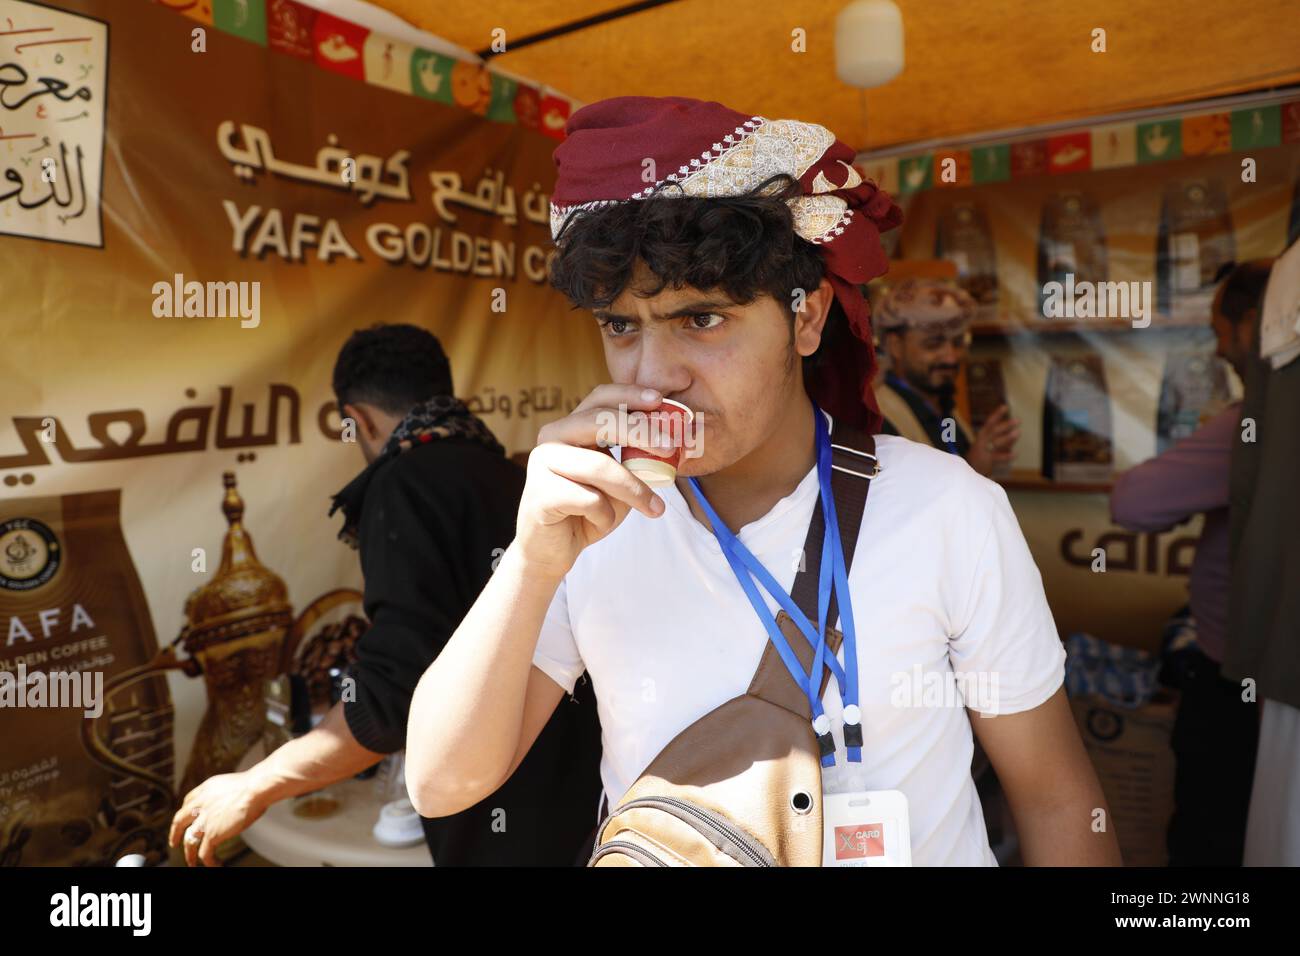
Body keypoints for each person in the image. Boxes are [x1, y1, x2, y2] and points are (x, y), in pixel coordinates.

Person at [404, 96, 1120, 866]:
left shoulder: (949, 508)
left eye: (701, 320)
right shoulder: (589, 524)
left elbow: (1054, 798)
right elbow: (443, 784)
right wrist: (532, 562)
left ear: (805, 320)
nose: (654, 375)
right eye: (621, 325)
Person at [169, 323, 602, 866]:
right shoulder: (514, 474)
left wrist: (257, 782)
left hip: (495, 815)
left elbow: (391, 692)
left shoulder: (401, 485)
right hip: (581, 790)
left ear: (358, 420)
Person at [1110, 261, 1270, 866]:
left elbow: (1134, 502)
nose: (1219, 348)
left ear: (1251, 325)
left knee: (1210, 835)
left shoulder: (1253, 426)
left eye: (1221, 330)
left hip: (1234, 685)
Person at [873, 277, 1019, 476]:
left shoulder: (942, 404)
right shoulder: (879, 418)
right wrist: (975, 473)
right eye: (933, 344)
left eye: (958, 343)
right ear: (895, 346)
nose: (951, 358)